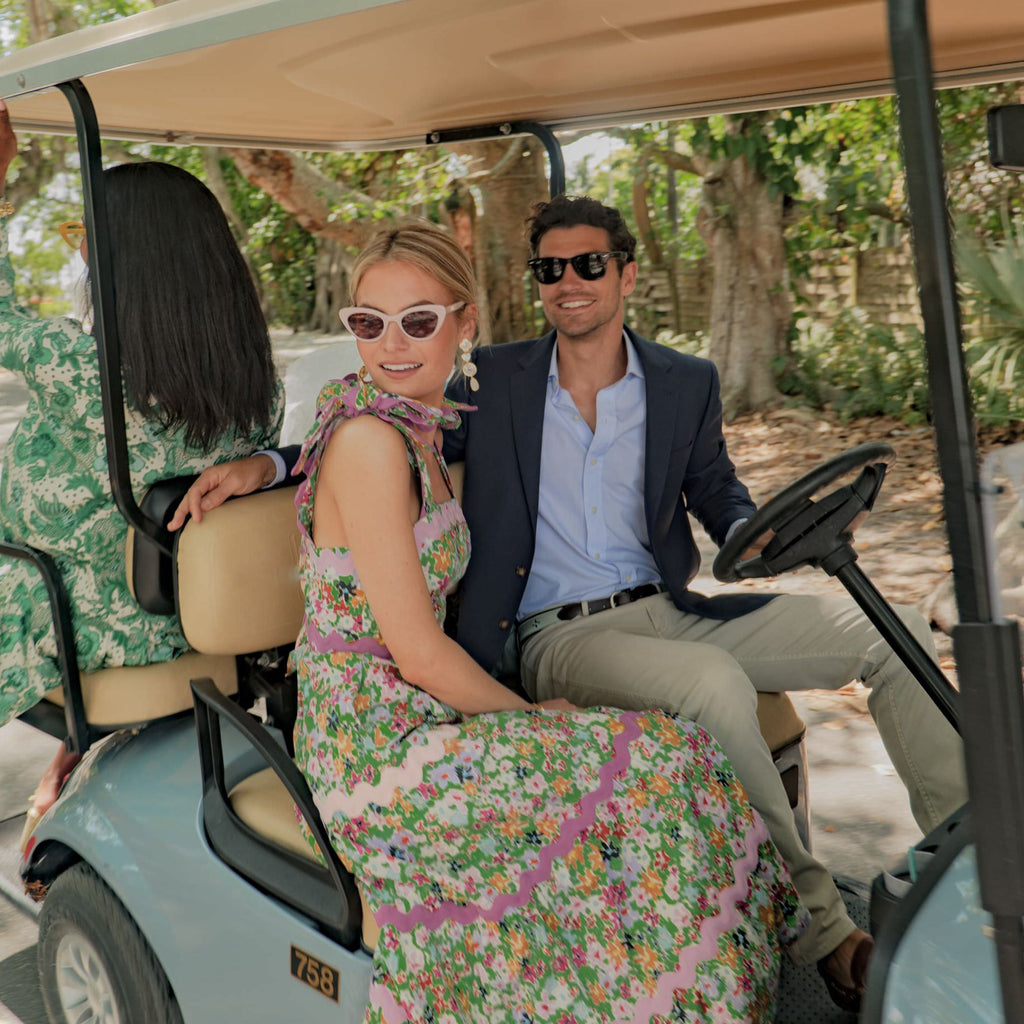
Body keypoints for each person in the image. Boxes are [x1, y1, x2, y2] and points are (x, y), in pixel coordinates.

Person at [170, 195, 967, 1012]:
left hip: (669, 606)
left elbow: (716, 488)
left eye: (589, 264)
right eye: (550, 268)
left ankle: (966, 886)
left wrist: (750, 531)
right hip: (550, 637)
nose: (569, 282)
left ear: (627, 274)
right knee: (710, 695)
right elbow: (360, 442)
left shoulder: (683, 381)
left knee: (893, 630)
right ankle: (826, 939)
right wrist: (270, 466)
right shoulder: (492, 384)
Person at [276, 219, 804, 1022]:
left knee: (678, 757)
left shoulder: (425, 425)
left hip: (428, 709)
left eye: (418, 320)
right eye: (368, 323)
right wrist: (531, 716)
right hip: (375, 738)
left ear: (464, 322)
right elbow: (417, 654)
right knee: (662, 764)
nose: (391, 344)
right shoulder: (370, 442)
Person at [0, 99, 282, 841]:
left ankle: (67, 771)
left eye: (84, 239)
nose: (80, 257)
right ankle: (66, 773)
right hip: (188, 625)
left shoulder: (82, 369)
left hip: (80, 624)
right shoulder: (256, 386)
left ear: (125, 258)